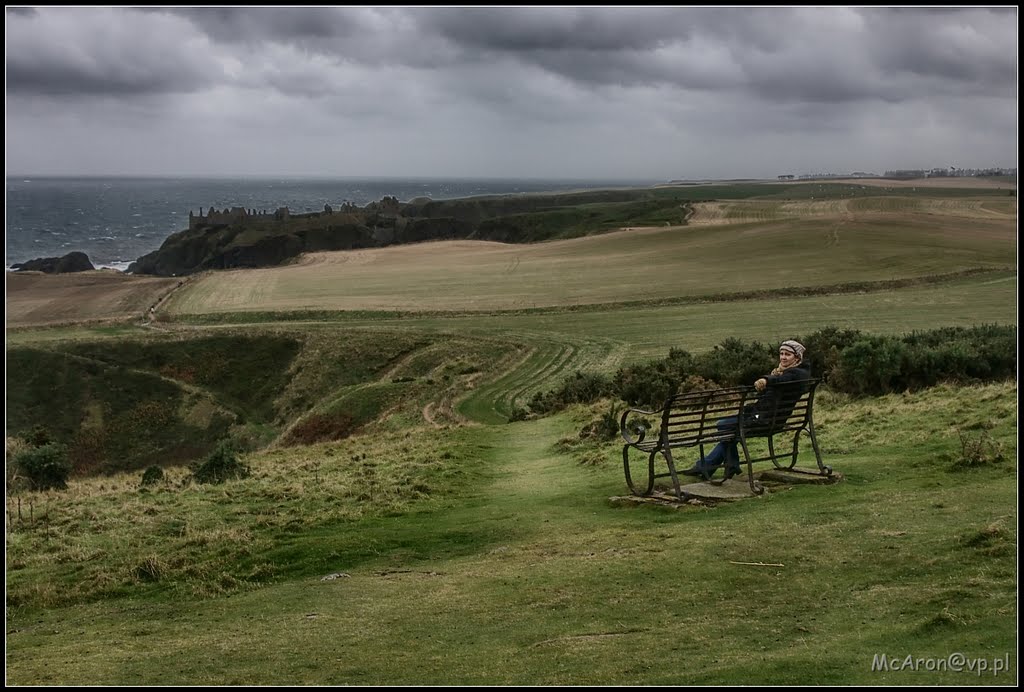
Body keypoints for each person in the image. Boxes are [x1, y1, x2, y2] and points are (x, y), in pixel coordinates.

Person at [681, 339, 811, 480]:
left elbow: (780, 382)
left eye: (788, 354)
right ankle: (711, 466)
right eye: (781, 353)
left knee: (723, 425)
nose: (783, 357)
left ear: (797, 358)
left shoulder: (796, 374)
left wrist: (766, 380)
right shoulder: (787, 373)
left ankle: (720, 466)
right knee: (728, 429)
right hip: (768, 418)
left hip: (765, 421)